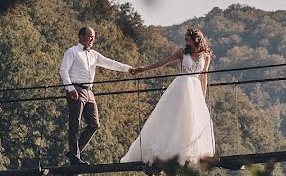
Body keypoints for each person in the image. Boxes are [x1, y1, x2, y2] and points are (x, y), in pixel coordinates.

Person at [121, 27, 215, 165]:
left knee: (191, 122)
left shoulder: (205, 56)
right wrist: (143, 69)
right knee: (173, 120)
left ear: (196, 39)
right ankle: (162, 154)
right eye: (185, 37)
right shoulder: (182, 52)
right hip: (181, 87)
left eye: (188, 37)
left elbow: (203, 77)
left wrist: (202, 98)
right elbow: (162, 63)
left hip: (194, 91)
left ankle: (186, 154)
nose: (185, 39)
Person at [59, 26, 133, 165]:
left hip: (89, 91)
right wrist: (70, 89)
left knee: (94, 124)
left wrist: (129, 69)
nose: (92, 39)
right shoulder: (72, 52)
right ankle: (75, 156)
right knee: (75, 123)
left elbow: (109, 63)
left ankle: (74, 152)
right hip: (76, 88)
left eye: (93, 36)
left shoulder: (94, 54)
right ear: (81, 36)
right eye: (89, 36)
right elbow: (63, 70)